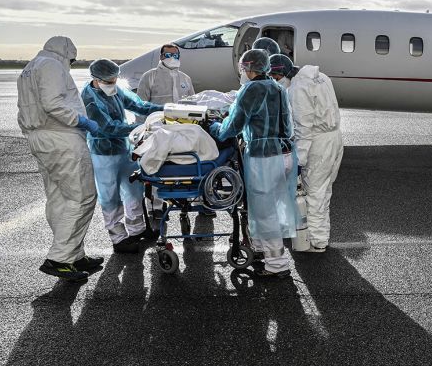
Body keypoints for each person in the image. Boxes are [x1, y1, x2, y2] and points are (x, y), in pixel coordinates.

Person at [17, 36, 103, 281]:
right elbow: (53, 104)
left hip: (40, 137)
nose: (71, 64)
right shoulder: (52, 66)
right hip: (61, 137)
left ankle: (74, 255)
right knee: (82, 196)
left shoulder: (29, 68)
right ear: (66, 53)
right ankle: (60, 258)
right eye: (72, 60)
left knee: (59, 197)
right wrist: (82, 121)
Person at [211, 49, 297, 278]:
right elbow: (288, 125)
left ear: (248, 68)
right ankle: (259, 249)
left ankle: (277, 264)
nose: (243, 72)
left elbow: (234, 125)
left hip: (264, 157)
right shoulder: (278, 88)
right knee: (267, 207)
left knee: (266, 210)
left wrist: (216, 128)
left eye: (243, 68)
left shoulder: (251, 89)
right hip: (285, 154)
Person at [82, 59, 164, 253]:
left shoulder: (116, 90)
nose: (113, 84)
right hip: (103, 153)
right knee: (110, 196)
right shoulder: (90, 100)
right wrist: (140, 128)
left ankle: (137, 229)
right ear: (96, 79)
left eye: (115, 80)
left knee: (133, 188)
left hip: (123, 149)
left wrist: (165, 109)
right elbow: (108, 128)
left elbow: (139, 105)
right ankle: (118, 238)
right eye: (109, 81)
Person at [269, 53, 343, 253]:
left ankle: (317, 242)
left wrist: (299, 161)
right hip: (335, 138)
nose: (276, 82)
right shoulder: (321, 77)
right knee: (325, 191)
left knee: (314, 193)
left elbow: (304, 129)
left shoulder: (298, 89)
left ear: (283, 73)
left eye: (276, 78)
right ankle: (321, 236)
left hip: (318, 143)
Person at [136, 43, 196, 218]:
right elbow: (140, 106)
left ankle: (190, 200)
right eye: (169, 55)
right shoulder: (150, 77)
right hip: (158, 132)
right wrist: (143, 132)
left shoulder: (185, 79)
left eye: (176, 55)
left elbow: (193, 105)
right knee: (156, 165)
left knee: (184, 164)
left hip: (181, 132)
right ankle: (156, 206)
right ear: (161, 56)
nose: (172, 58)